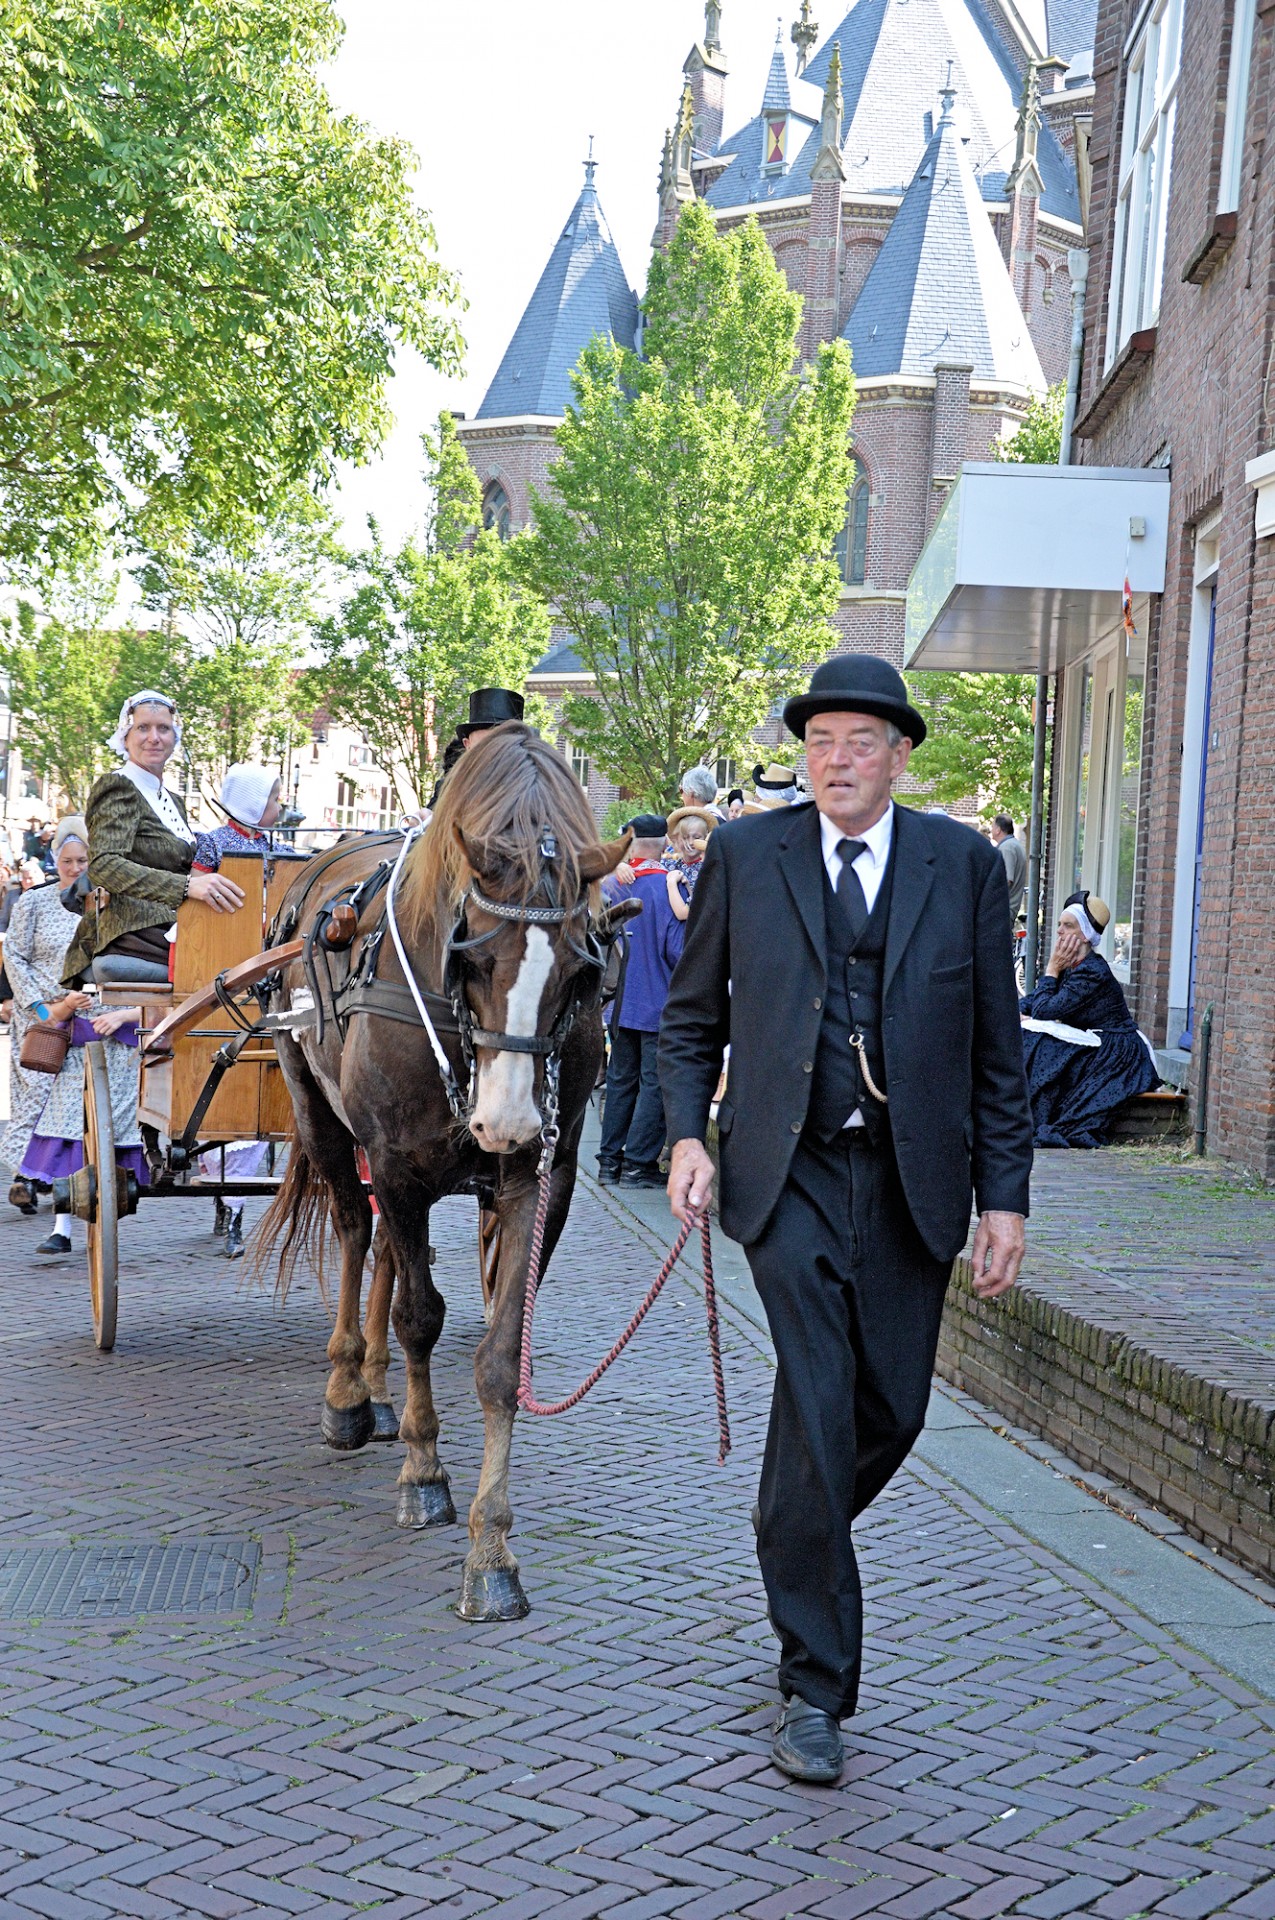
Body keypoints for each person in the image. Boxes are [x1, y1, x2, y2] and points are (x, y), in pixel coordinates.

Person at [659, 653, 1033, 1785]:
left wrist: (1005, 1198)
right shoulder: (743, 854)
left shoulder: (962, 863)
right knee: (821, 1396)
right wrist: (685, 1135)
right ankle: (815, 1688)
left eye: (860, 741)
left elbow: (997, 1052)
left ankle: (790, 1531)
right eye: (820, 741)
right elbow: (687, 1023)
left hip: (917, 1181)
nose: (837, 760)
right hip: (789, 1174)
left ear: (899, 755)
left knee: (892, 1409)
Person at [1, 818, 145, 1248]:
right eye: (67, 860)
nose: (74, 866)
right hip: (48, 1022)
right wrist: (44, 1007)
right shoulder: (35, 902)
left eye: (83, 860)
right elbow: (14, 956)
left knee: (95, 1118)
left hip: (103, 1025)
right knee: (44, 1108)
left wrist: (123, 1013)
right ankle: (30, 1182)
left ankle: (79, 1197)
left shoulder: (114, 905)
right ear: (55, 861)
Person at [63, 691, 245, 989]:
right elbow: (104, 865)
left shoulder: (173, 799)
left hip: (173, 921)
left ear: (175, 738)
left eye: (164, 728)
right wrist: (187, 887)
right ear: (125, 737)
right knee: (236, 958)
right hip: (134, 927)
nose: (154, 737)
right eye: (143, 728)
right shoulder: (118, 786)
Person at [1019, 892, 1159, 1147]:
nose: (1059, 931)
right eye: (1059, 924)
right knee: (1026, 1032)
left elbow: (1044, 1010)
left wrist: (1051, 968)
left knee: (1039, 1042)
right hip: (1094, 1041)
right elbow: (1034, 1002)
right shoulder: (1071, 966)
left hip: (1116, 1050)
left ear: (1084, 935)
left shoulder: (1092, 971)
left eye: (1068, 926)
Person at [597, 815, 685, 1188]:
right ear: (663, 845)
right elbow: (678, 952)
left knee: (619, 1080)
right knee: (653, 1084)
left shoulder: (612, 883)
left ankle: (608, 1163)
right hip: (658, 1002)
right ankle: (637, 1164)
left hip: (618, 1004)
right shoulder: (668, 888)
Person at [664, 805, 715, 923]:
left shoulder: (708, 870)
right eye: (685, 837)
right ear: (677, 839)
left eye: (696, 837)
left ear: (705, 838)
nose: (690, 842)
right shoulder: (669, 864)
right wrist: (622, 866)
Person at [991, 814, 1027, 923]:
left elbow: (1005, 880)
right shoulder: (1014, 845)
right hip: (1007, 910)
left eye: (992, 826)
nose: (991, 829)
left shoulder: (1007, 848)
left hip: (1002, 912)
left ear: (998, 830)